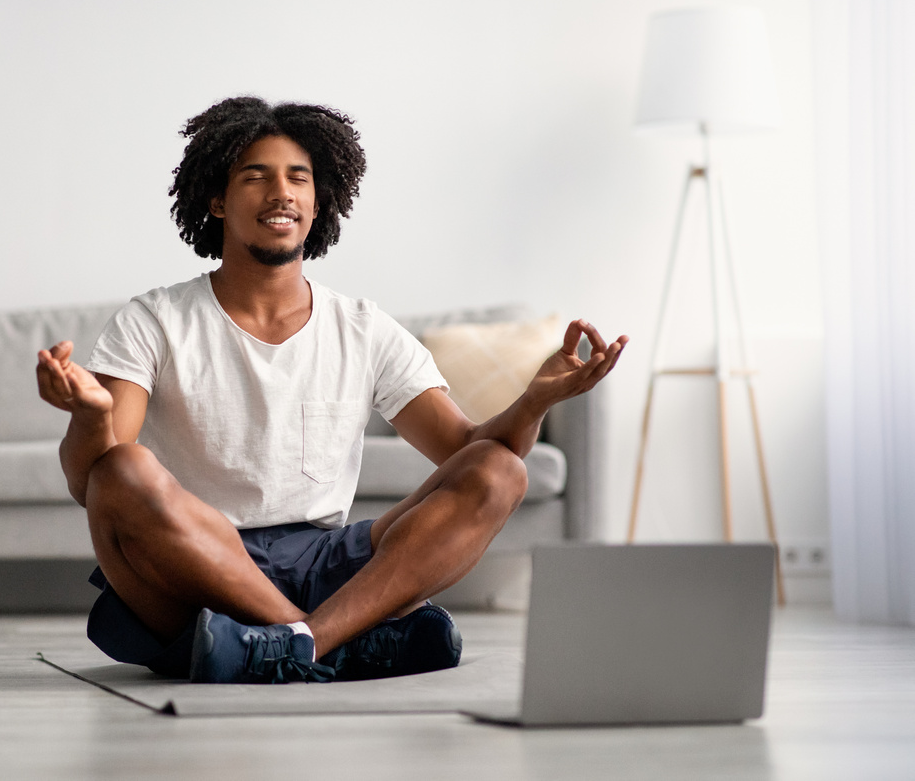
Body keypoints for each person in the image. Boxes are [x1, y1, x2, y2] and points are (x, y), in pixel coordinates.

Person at [36, 96, 626, 684]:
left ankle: (289, 645)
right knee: (123, 470)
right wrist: (89, 416)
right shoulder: (156, 320)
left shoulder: (363, 327)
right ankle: (337, 642)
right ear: (216, 200)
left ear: (318, 203)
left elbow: (467, 450)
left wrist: (534, 401)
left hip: (328, 561)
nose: (281, 192)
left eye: (299, 177)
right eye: (256, 176)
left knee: (502, 471)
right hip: (200, 564)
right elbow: (93, 483)